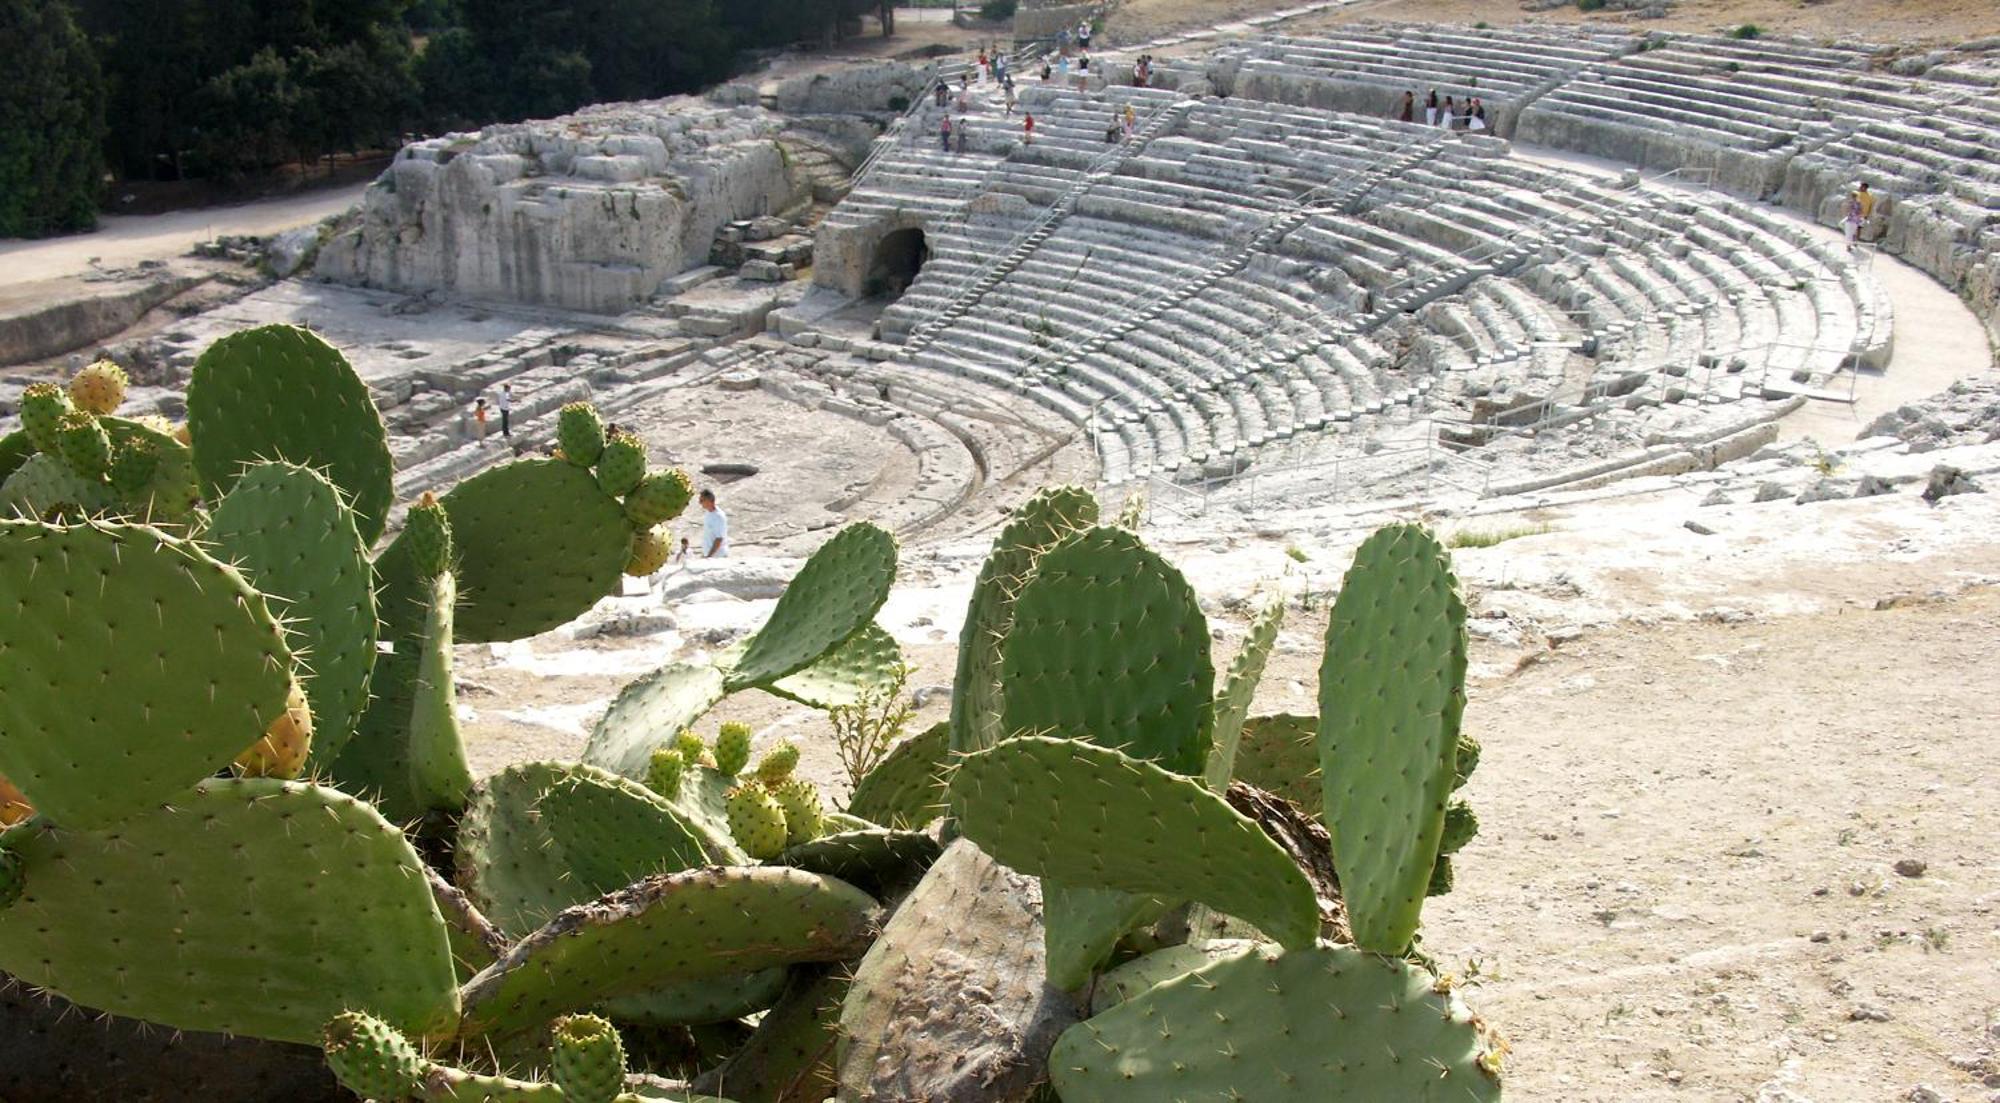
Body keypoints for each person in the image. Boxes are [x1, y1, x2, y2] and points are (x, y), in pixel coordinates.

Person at [697, 489, 728, 558]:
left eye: (702, 500)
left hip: (718, 557)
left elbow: (719, 539)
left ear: (709, 500)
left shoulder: (718, 516)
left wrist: (709, 556)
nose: (699, 502)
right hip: (709, 555)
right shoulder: (708, 513)